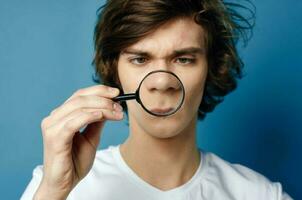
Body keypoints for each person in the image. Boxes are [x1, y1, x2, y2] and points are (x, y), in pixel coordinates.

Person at [21, 0, 293, 199]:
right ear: (114, 70)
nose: (162, 82)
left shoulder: (261, 195)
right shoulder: (54, 187)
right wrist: (55, 191)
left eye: (184, 59)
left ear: (211, 67)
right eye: (140, 59)